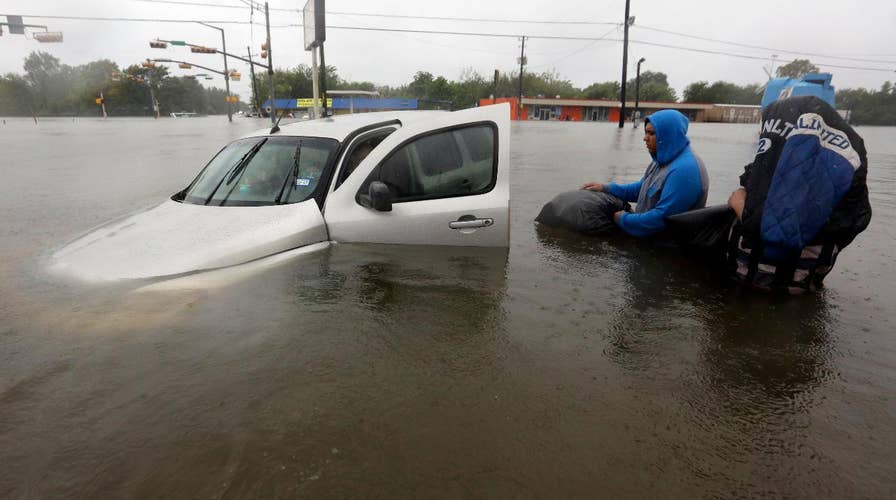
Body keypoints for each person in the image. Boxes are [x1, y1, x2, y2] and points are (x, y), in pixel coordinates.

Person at [581, 109, 708, 237]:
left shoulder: (685, 170)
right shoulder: (662, 160)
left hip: (667, 245)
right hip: (649, 237)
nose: (645, 138)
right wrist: (606, 188)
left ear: (668, 135)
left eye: (651, 133)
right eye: (646, 132)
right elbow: (641, 190)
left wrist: (623, 219)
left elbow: (662, 218)